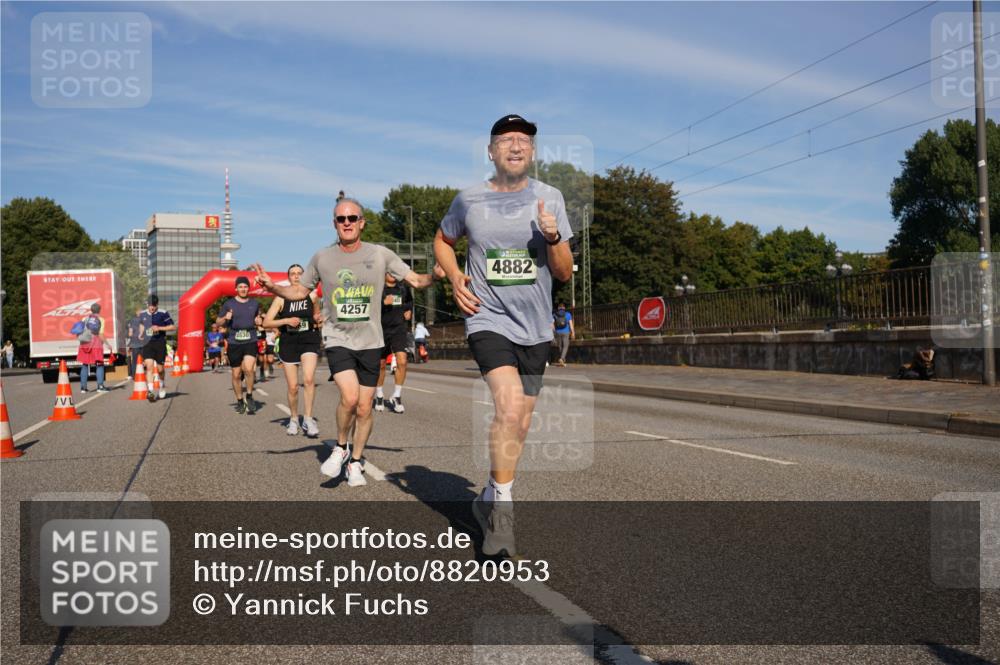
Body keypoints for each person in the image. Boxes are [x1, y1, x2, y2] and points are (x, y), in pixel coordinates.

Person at [434, 114, 573, 556]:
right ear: (491, 151)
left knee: (522, 421)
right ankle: (502, 515)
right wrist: (456, 276)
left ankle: (490, 493)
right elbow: (442, 240)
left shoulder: (551, 198)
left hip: (535, 326)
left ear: (532, 152)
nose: (515, 146)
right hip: (486, 318)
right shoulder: (469, 199)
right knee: (509, 407)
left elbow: (565, 272)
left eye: (524, 141)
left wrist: (552, 237)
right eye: (505, 140)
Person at [253, 197, 435, 487]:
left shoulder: (380, 254)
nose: (347, 223)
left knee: (364, 408)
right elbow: (300, 292)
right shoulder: (322, 258)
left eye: (352, 218)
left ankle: (355, 461)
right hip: (338, 339)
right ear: (334, 224)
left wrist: (438, 274)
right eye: (341, 219)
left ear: (362, 222)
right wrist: (273, 287)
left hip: (371, 341)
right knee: (349, 398)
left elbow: (414, 279)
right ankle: (340, 446)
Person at [263, 264, 323, 437]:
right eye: (293, 274)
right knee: (293, 387)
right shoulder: (281, 298)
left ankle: (309, 419)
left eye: (299, 274)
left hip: (309, 339)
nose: (296, 276)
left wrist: (318, 319)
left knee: (309, 379)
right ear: (288, 277)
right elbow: (266, 322)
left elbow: (316, 317)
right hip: (289, 341)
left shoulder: (312, 295)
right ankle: (294, 419)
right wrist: (286, 321)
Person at [217, 276, 261, 415]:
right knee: (236, 374)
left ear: (249, 288)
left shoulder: (254, 303)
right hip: (234, 341)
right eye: (240, 287)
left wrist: (259, 320)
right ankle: (240, 400)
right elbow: (218, 322)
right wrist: (225, 318)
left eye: (245, 286)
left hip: (250, 338)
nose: (243, 289)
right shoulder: (228, 304)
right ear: (236, 288)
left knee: (249, 369)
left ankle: (249, 395)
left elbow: (258, 318)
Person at [375, 273, 413, 413]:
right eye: (389, 271)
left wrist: (409, 310)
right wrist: (383, 303)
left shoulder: (403, 288)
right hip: (381, 330)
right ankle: (379, 395)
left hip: (399, 329)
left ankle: (397, 395)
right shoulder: (378, 288)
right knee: (381, 364)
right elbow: (369, 305)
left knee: (402, 361)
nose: (392, 274)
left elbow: (409, 302)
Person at [138, 295, 176, 401]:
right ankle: (150, 391)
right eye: (150, 305)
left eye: (154, 306)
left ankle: (162, 385)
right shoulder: (143, 314)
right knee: (149, 366)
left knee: (160, 369)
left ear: (157, 305)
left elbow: (173, 326)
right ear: (147, 305)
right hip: (148, 343)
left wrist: (159, 328)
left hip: (160, 342)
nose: (152, 308)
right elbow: (141, 325)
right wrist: (140, 334)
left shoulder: (163, 313)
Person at [76, 303, 113, 393]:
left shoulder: (85, 319)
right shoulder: (101, 319)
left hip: (84, 344)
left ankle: (83, 388)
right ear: (99, 310)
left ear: (91, 310)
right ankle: (100, 386)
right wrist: (107, 344)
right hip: (96, 344)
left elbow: (80, 331)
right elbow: (100, 334)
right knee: (99, 364)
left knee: (85, 365)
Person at [125, 308, 145, 378]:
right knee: (143, 359)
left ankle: (134, 375)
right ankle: (141, 373)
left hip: (134, 343)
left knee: (134, 361)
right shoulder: (145, 320)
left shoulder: (132, 320)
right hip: (142, 343)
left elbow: (130, 333)